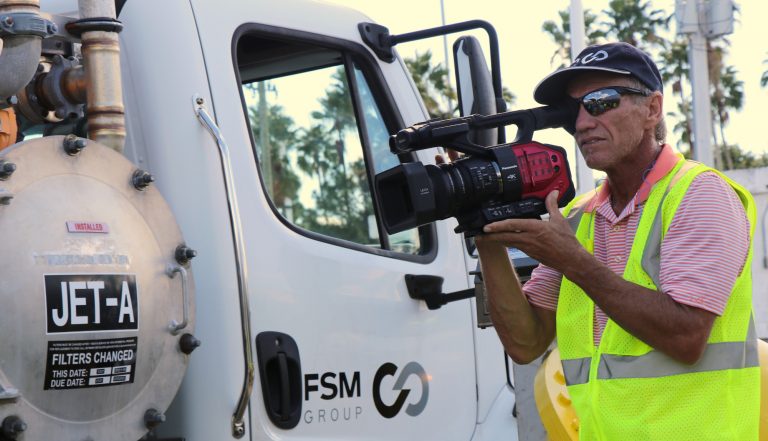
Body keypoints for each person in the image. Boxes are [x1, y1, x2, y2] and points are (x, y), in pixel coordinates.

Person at [475, 42, 759, 440]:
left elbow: (686, 336)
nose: (582, 123)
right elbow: (526, 343)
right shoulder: (579, 217)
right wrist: (485, 234)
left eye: (600, 102)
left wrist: (574, 262)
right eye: (571, 111)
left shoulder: (699, 194)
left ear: (652, 109)